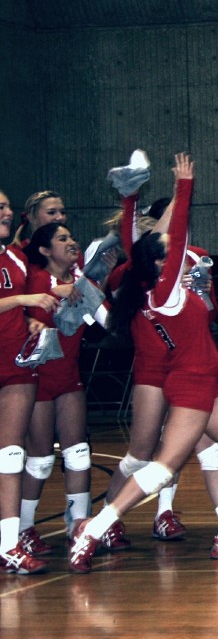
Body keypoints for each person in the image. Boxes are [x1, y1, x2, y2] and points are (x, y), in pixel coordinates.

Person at [68, 153, 218, 573]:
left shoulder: (144, 291)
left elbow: (138, 245)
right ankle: (96, 526)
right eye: (166, 255)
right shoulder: (167, 290)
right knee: (162, 468)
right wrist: (184, 187)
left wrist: (130, 204)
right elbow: (172, 239)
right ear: (160, 263)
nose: (172, 253)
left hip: (205, 381)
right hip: (192, 384)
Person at [17, 223, 106, 557]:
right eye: (62, 239)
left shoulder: (81, 282)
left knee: (79, 454)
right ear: (44, 250)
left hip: (69, 377)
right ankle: (23, 529)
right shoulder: (38, 279)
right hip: (37, 379)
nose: (72, 242)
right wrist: (56, 294)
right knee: (39, 461)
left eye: (72, 236)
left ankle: (79, 527)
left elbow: (102, 319)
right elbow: (27, 317)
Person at [0, 189, 57, 575]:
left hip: (15, 362)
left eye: (6, 205)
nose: (5, 211)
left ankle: (10, 542)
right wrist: (24, 302)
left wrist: (30, 319)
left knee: (11, 454)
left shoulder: (15, 258)